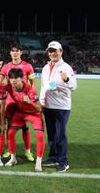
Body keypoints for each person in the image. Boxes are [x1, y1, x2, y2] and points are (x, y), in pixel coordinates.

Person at [39, 41, 77, 172]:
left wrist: (66, 79)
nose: (52, 53)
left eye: (55, 50)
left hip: (61, 107)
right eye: (50, 51)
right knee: (51, 134)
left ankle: (63, 161)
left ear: (61, 52)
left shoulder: (66, 67)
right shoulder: (45, 68)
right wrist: (41, 102)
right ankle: (53, 157)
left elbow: (74, 86)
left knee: (60, 135)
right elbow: (44, 87)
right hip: (48, 106)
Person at [0, 42, 35, 161]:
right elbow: (0, 81)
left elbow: (32, 83)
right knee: (9, 125)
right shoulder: (6, 66)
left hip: (23, 99)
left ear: (21, 52)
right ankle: (10, 149)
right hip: (10, 100)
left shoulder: (27, 66)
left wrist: (31, 96)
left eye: (17, 51)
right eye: (13, 51)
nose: (15, 53)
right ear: (10, 53)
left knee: (24, 125)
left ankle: (27, 151)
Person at [5, 68, 44, 172]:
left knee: (40, 135)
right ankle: (13, 159)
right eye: (11, 78)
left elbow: (39, 108)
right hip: (20, 113)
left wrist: (30, 102)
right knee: (10, 133)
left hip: (34, 113)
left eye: (16, 78)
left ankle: (38, 162)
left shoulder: (30, 90)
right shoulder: (10, 87)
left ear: (22, 79)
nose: (13, 81)